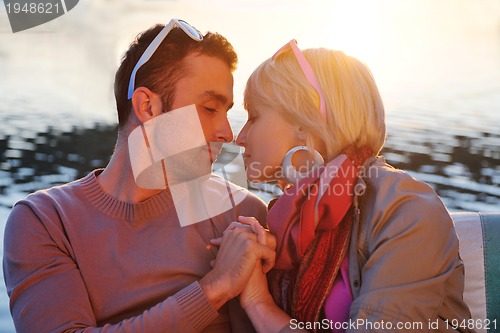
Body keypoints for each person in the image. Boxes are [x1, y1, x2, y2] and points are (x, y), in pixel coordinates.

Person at [3, 19, 273, 332]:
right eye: (210, 108)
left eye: (226, 112)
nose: (227, 133)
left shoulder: (241, 214)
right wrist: (214, 288)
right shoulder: (45, 222)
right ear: (147, 107)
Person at [224, 40, 473, 332]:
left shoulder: (406, 210)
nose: (239, 137)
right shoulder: (285, 218)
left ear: (304, 123)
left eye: (254, 116)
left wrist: (258, 302)